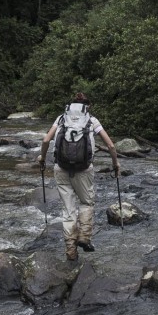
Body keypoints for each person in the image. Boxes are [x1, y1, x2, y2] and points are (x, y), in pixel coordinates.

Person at [38, 93, 120, 262]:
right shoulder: (92, 120)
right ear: (87, 106)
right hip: (84, 169)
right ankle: (84, 235)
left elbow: (46, 140)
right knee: (86, 202)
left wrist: (42, 158)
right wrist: (116, 164)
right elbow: (110, 145)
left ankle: (71, 251)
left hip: (61, 168)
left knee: (68, 211)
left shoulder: (61, 119)